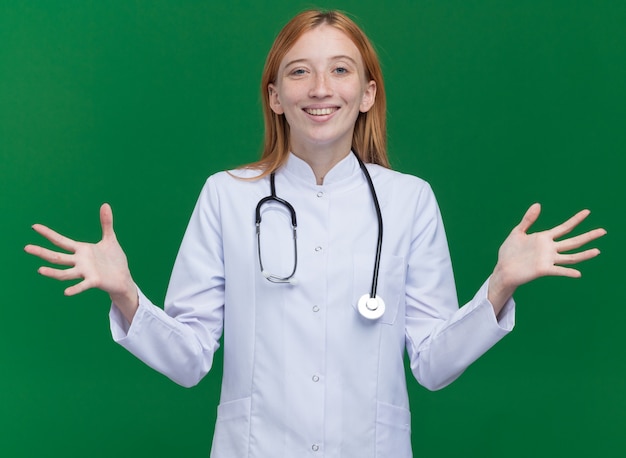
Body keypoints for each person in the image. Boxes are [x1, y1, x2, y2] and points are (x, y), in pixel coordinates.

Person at [25, 10, 605, 457]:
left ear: (367, 94)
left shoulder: (410, 200)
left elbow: (432, 364)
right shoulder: (227, 195)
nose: (320, 87)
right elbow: (189, 361)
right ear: (275, 97)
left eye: (340, 69)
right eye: (299, 71)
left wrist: (499, 286)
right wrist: (127, 296)